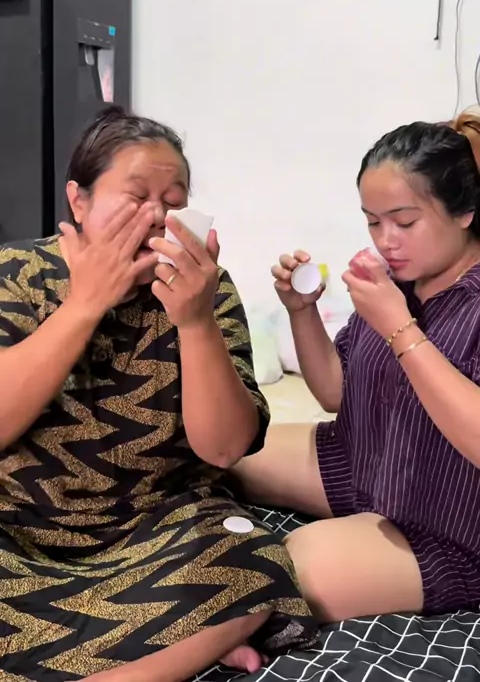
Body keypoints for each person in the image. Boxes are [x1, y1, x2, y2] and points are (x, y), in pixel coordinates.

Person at [0, 106, 318, 682]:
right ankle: (176, 643)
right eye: (136, 196)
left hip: (155, 532)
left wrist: (195, 321)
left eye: (174, 201)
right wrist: (85, 304)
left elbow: (225, 449)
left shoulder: (205, 289)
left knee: (249, 560)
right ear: (78, 201)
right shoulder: (16, 274)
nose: (157, 216)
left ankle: (153, 647)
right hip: (19, 537)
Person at [233, 112, 480, 623]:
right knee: (224, 448)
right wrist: (301, 311)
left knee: (287, 569)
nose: (386, 240)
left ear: (465, 212)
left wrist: (400, 328)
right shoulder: (394, 280)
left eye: (405, 222)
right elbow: (335, 393)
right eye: (373, 221)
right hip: (364, 463)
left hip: (452, 524)